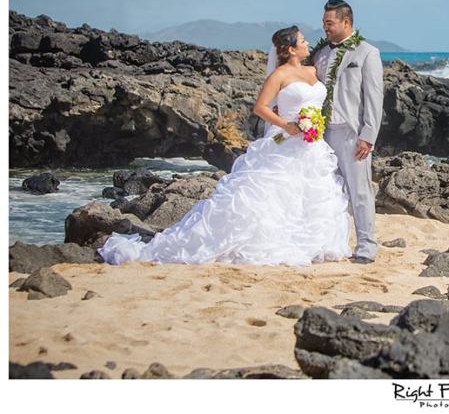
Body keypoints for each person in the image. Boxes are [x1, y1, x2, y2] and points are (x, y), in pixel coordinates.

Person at [98, 26, 351, 266]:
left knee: (310, 194)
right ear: (291, 49)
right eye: (303, 40)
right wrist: (287, 125)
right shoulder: (279, 75)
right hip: (286, 141)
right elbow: (260, 108)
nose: (308, 43)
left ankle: (309, 244)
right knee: (273, 195)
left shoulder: (313, 71)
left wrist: (314, 123)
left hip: (313, 144)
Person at [309, 0, 383, 264]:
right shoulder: (320, 54)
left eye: (330, 23)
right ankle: (330, 243)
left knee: (360, 190)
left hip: (352, 133)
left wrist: (368, 135)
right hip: (322, 133)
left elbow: (374, 97)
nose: (325, 28)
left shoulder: (366, 53)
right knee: (328, 190)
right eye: (324, 23)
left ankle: (366, 246)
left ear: (346, 22)